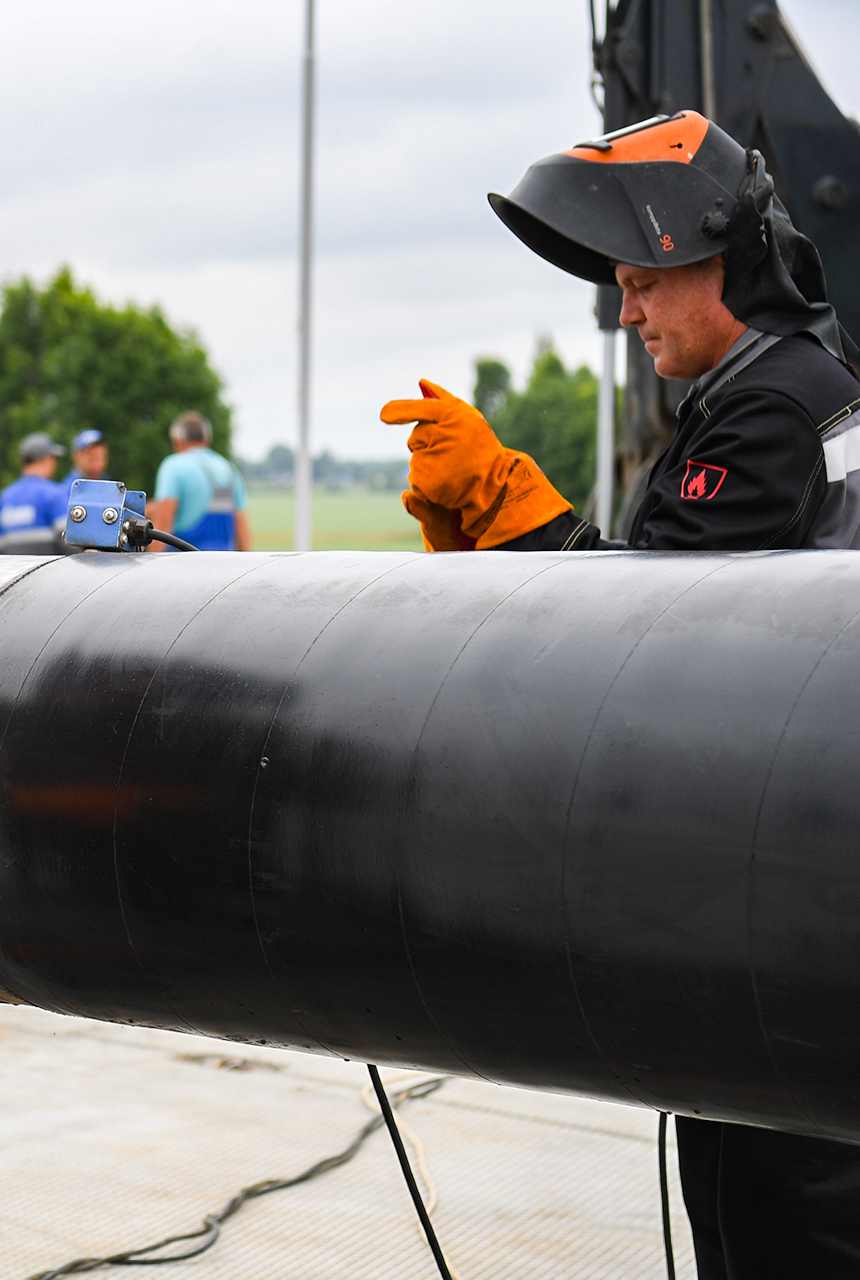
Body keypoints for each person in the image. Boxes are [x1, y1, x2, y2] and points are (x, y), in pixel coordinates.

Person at [381, 111, 860, 1278]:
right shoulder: (790, 388)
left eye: (643, 282)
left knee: (784, 1220)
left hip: (783, 908)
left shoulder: (769, 411)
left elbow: (652, 638)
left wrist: (510, 503)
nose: (625, 312)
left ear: (724, 265)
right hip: (799, 880)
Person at [147, 413, 251, 550]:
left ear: (177, 439)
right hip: (225, 565)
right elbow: (242, 530)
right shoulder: (230, 470)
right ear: (207, 438)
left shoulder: (173, 466)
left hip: (183, 566)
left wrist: (150, 566)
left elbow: (163, 522)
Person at [0, 432, 70, 554]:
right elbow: (72, 545)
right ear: (47, 459)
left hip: (16, 572)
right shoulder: (54, 494)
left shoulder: (3, 499)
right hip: (50, 572)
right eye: (54, 458)